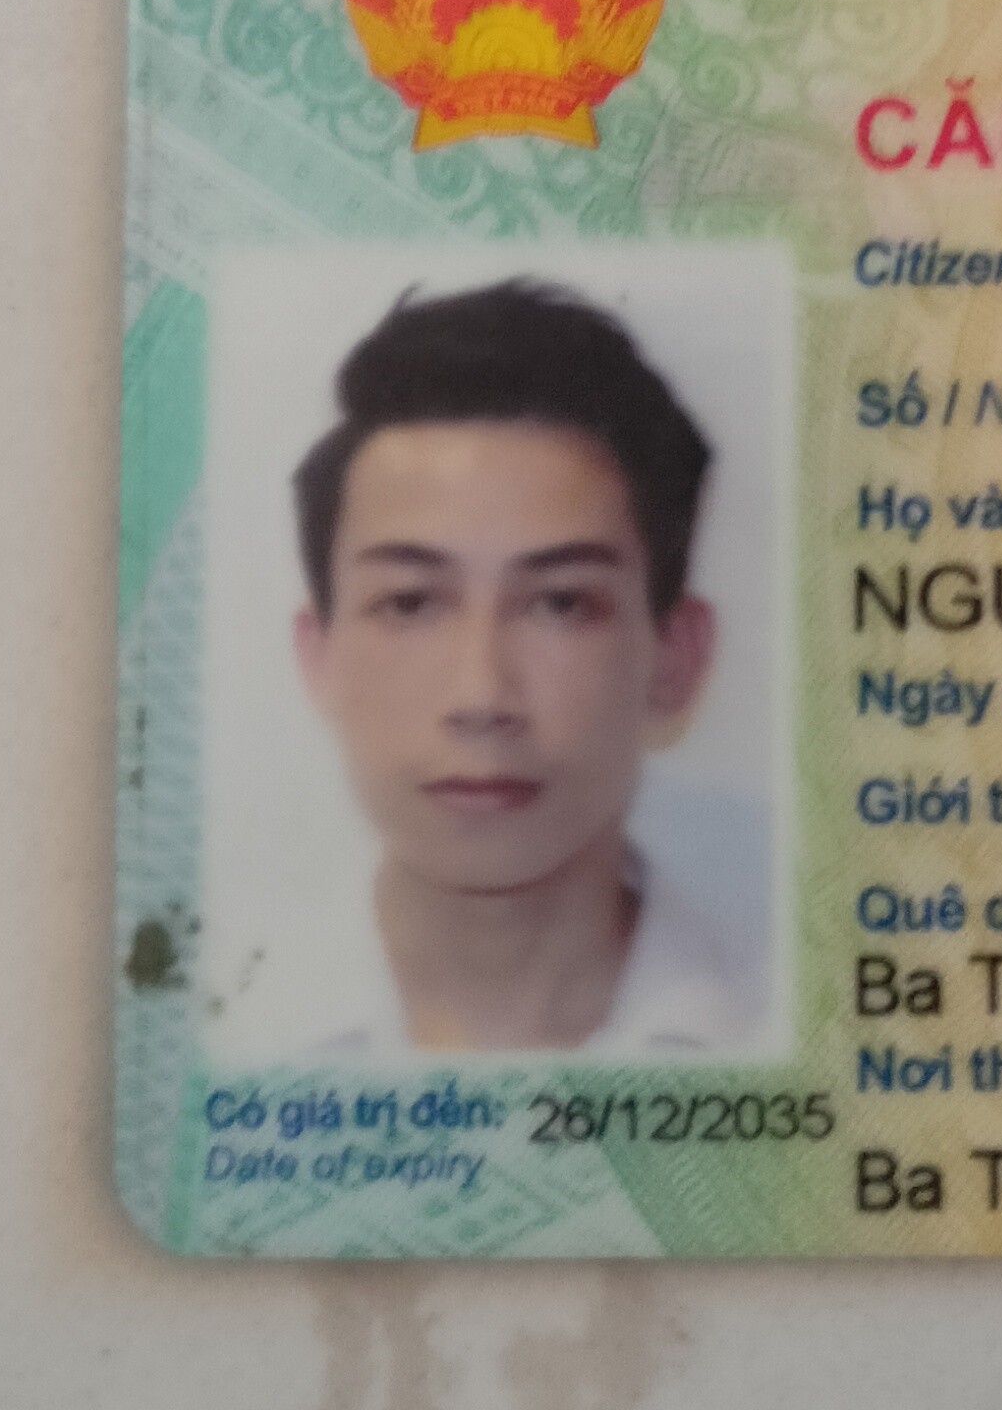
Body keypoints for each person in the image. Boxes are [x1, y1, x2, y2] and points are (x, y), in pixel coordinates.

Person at [287, 278, 768, 1055]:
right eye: (410, 603)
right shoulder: (222, 1032)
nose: (482, 696)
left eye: (561, 604)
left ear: (675, 660)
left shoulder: (791, 1035)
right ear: (321, 657)